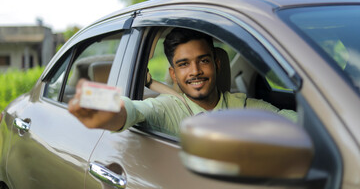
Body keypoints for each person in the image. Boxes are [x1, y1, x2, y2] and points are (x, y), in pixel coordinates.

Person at [69, 29, 297, 137]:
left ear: (217, 63)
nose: (196, 71)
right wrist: (111, 108)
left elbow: (293, 121)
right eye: (184, 64)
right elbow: (134, 109)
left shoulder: (243, 106)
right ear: (174, 73)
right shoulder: (166, 107)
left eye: (203, 61)